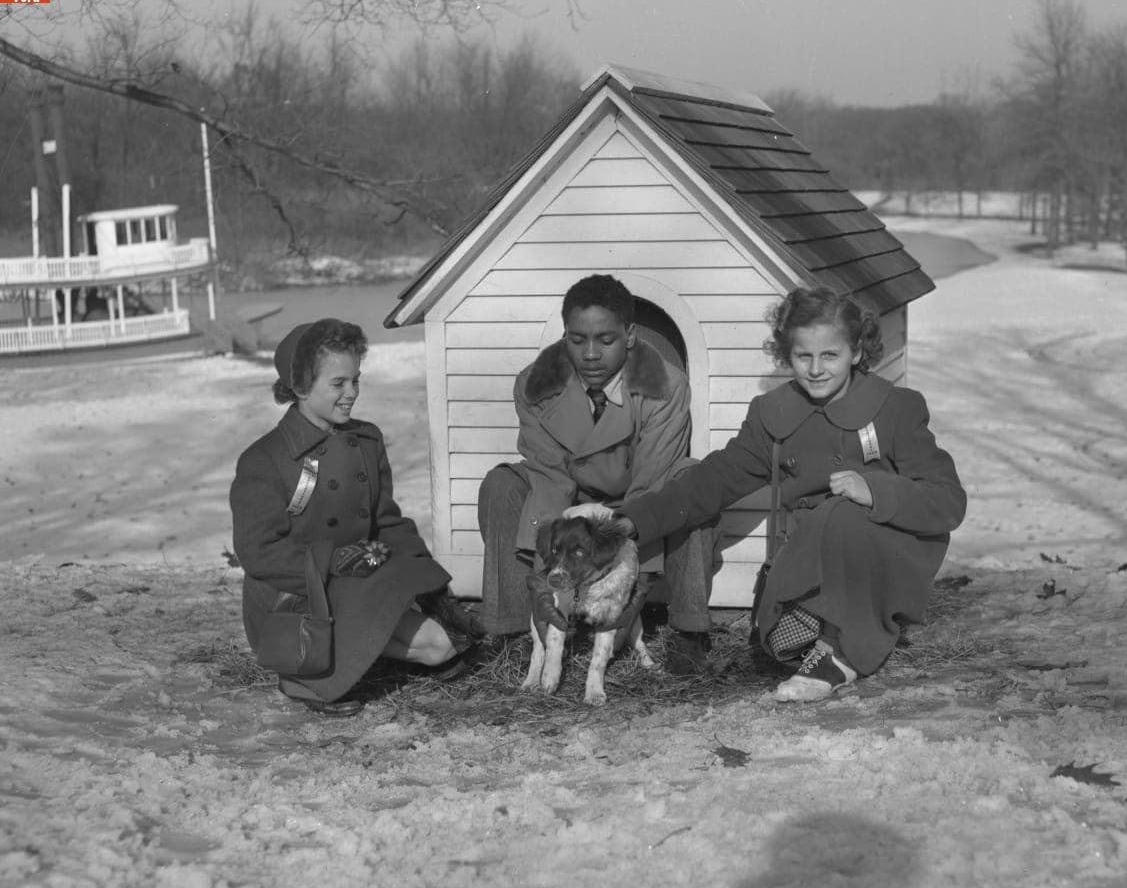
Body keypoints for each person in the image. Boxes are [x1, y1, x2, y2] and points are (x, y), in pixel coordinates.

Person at [576, 287, 967, 702]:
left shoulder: (894, 408)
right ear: (788, 354)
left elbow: (948, 501)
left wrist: (875, 489)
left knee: (842, 512)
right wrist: (634, 519)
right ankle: (814, 623)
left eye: (830, 356)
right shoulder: (774, 414)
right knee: (778, 639)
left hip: (881, 556)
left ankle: (838, 655)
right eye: (803, 357)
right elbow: (714, 480)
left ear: (855, 353)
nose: (816, 370)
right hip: (809, 558)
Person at [230, 318, 478, 717]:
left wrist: (430, 584)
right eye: (338, 384)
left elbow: (386, 521)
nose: (351, 394)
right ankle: (304, 678)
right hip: (295, 603)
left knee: (446, 643)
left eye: (356, 381)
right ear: (299, 387)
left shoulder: (366, 440)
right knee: (434, 645)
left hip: (360, 583)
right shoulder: (264, 460)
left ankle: (363, 655)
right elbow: (258, 553)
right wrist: (333, 562)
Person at [477, 274, 717, 673]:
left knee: (694, 481)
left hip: (635, 502)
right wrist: (546, 579)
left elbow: (651, 484)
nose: (590, 354)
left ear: (630, 335)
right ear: (564, 335)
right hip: (567, 502)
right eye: (577, 339)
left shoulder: (667, 387)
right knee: (501, 484)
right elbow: (548, 476)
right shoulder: (534, 385)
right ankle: (511, 628)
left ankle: (689, 632)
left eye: (605, 340)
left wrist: (630, 588)